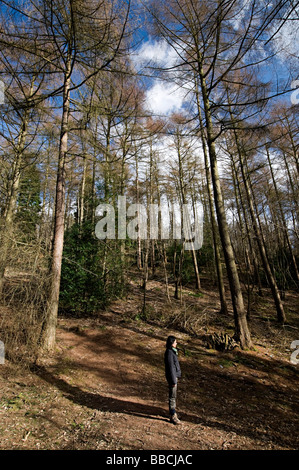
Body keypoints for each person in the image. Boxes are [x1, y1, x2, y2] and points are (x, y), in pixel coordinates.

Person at [164, 335, 181, 425]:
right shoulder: (169, 353)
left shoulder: (172, 352)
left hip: (174, 377)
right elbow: (170, 367)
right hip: (172, 378)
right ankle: (173, 415)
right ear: (172, 343)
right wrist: (173, 380)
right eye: (175, 342)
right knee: (172, 397)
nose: (176, 343)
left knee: (173, 396)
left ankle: (173, 412)